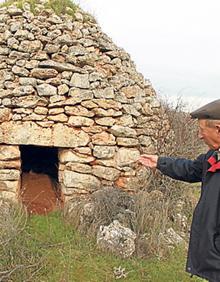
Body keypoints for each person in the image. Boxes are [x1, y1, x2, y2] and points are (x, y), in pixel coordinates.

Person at [138, 99, 220, 282]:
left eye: (201, 130)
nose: (199, 136)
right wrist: (160, 162)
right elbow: (191, 169)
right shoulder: (213, 156)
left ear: (218, 129)